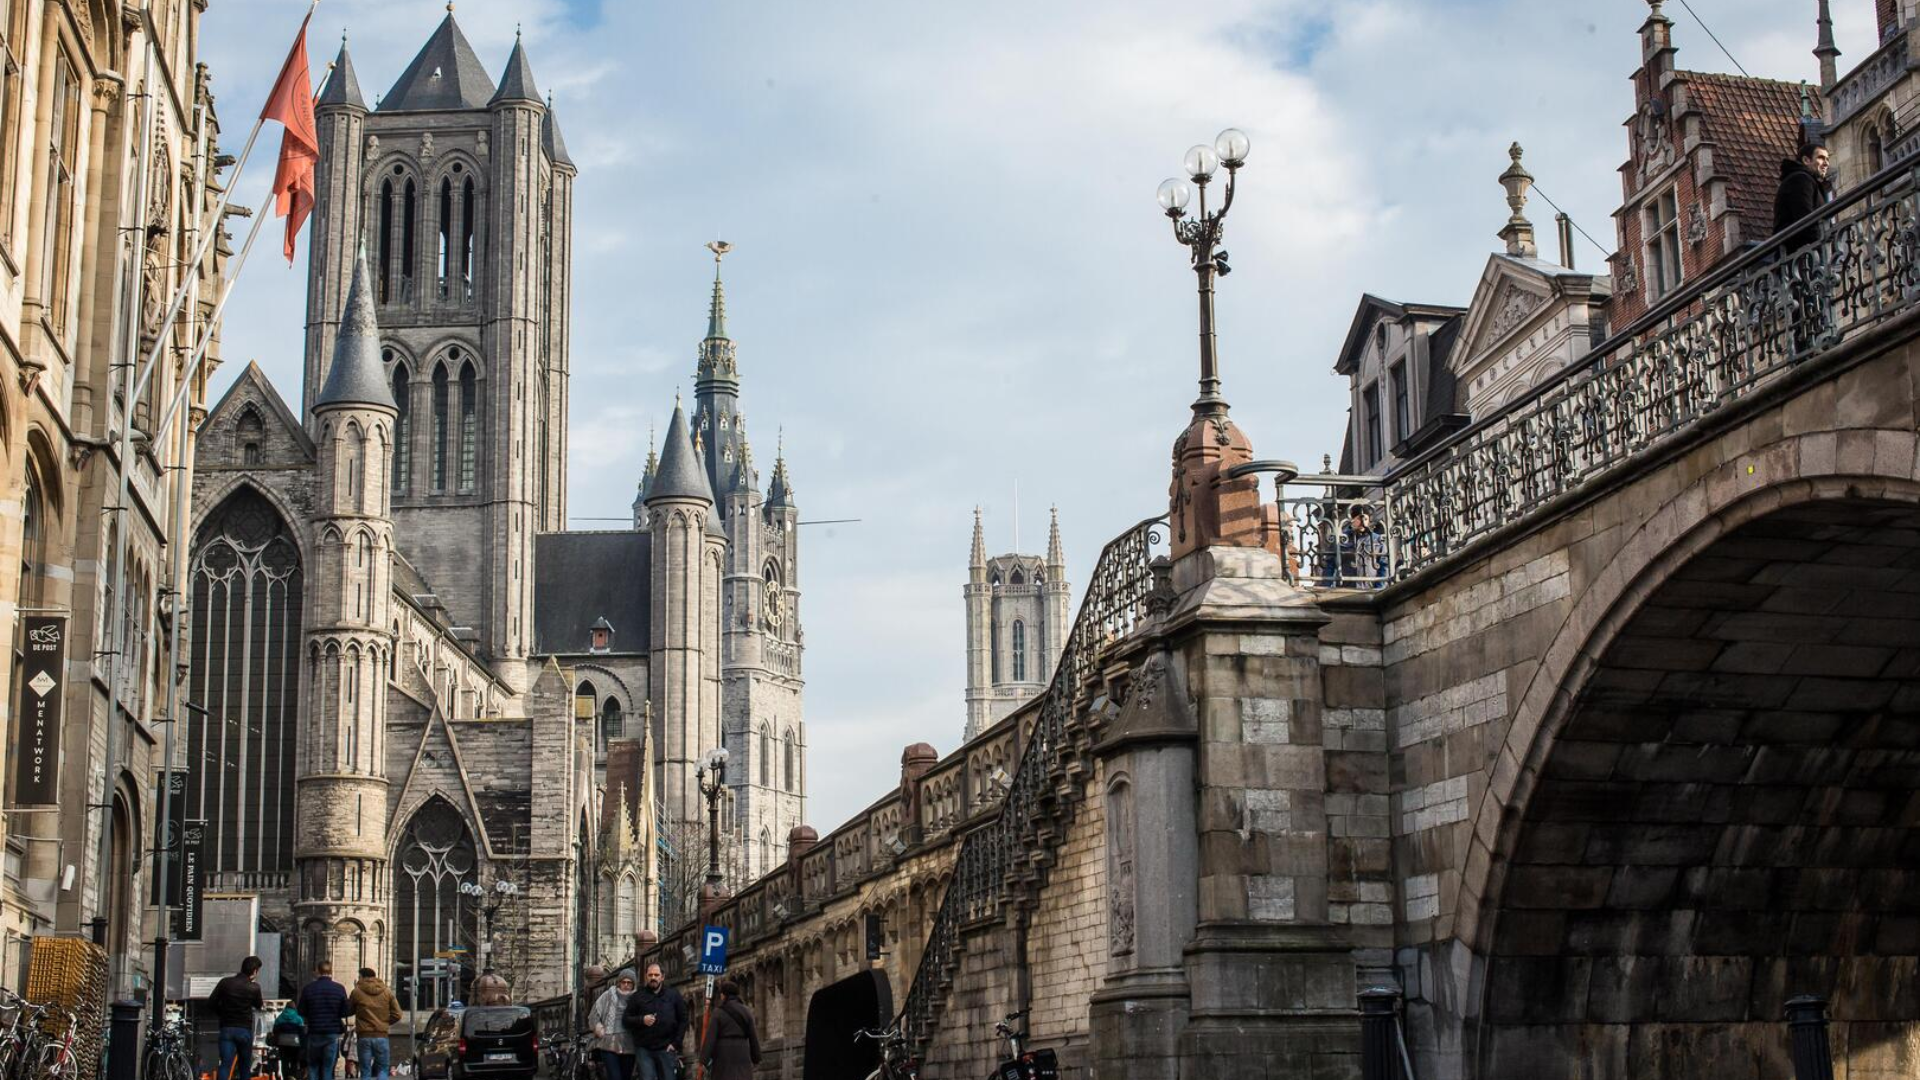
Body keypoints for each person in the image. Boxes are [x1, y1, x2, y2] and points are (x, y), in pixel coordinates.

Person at [622, 964, 687, 1080]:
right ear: (646, 977)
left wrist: (676, 1043)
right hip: (644, 1049)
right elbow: (626, 1020)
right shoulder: (638, 996)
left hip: (666, 1047)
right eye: (650, 975)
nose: (653, 978)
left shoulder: (673, 995)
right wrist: (642, 1020)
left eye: (656, 975)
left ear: (662, 977)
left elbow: (683, 1019)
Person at [209, 956, 266, 1080]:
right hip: (244, 1030)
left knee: (225, 1064)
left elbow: (211, 1003)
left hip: (227, 1028)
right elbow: (259, 1005)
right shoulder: (254, 987)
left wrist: (222, 1014)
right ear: (254, 971)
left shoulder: (225, 983)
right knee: (244, 1067)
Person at [1773, 139, 1833, 251]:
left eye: (1827, 159)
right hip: (1800, 253)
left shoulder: (1805, 180)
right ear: (1806, 160)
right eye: (1821, 158)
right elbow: (1805, 218)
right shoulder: (1800, 179)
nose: (1826, 163)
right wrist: (1823, 245)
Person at [297, 961, 350, 1080]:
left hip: (314, 1031)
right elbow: (344, 1012)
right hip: (332, 1033)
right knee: (328, 1068)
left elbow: (301, 1011)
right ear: (331, 971)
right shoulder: (339, 988)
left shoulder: (308, 988)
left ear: (318, 971)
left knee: (313, 1066)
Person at [697, 981, 760, 1080]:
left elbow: (710, 1038)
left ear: (723, 995)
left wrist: (703, 1061)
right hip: (742, 1051)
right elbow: (753, 1036)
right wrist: (756, 1058)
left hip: (723, 1054)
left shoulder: (718, 1013)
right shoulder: (746, 1011)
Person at [348, 968, 401, 1080]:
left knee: (365, 1070)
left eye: (359, 977)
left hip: (364, 1036)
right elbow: (398, 1014)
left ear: (362, 977)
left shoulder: (357, 992)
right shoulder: (387, 992)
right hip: (381, 1035)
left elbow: (349, 1010)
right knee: (383, 1069)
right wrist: (384, 1022)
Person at [588, 970, 637, 1080]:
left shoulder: (637, 998)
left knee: (626, 1077)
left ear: (633, 984)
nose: (626, 985)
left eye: (629, 982)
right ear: (619, 983)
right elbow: (593, 1015)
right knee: (614, 1077)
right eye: (623, 982)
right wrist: (600, 1030)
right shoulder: (608, 995)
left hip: (629, 1045)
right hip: (609, 1044)